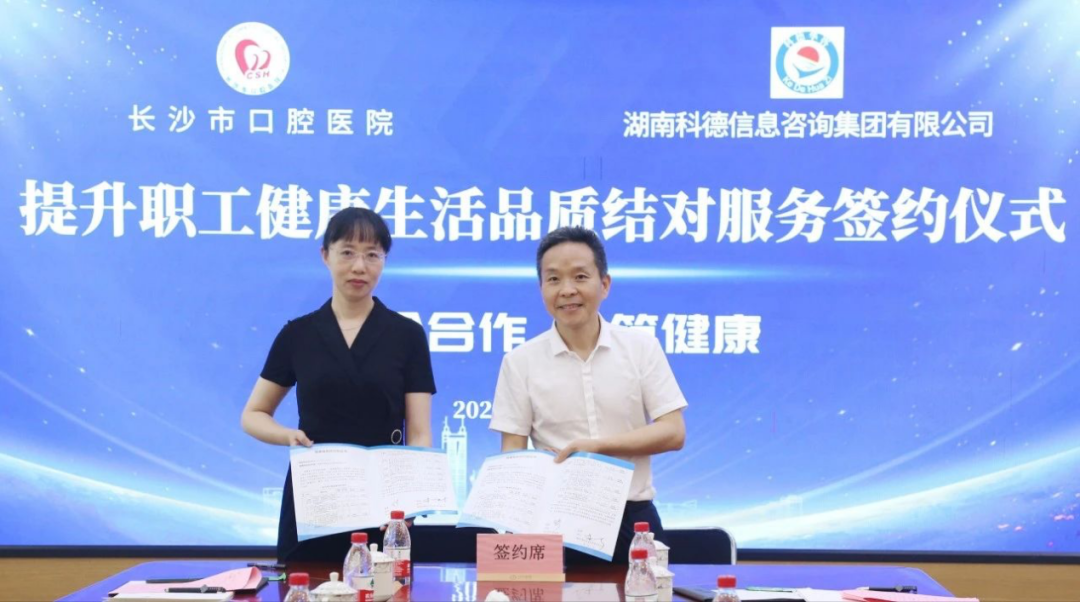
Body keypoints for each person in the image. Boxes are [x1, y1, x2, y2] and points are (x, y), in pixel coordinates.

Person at [241, 207, 435, 562]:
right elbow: (253, 415)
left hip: (384, 506)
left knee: (384, 586)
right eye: (347, 252)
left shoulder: (407, 335)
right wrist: (288, 436)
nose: (359, 266)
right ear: (325, 256)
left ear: (384, 261)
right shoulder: (297, 334)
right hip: (314, 497)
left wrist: (410, 499)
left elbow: (420, 432)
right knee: (305, 584)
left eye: (372, 255)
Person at [489, 226, 687, 564]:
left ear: (604, 284)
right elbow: (513, 453)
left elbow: (674, 432)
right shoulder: (520, 361)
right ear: (541, 288)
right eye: (553, 279)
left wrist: (595, 447)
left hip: (634, 519)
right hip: (554, 523)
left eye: (580, 277)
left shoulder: (641, 348)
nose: (567, 290)